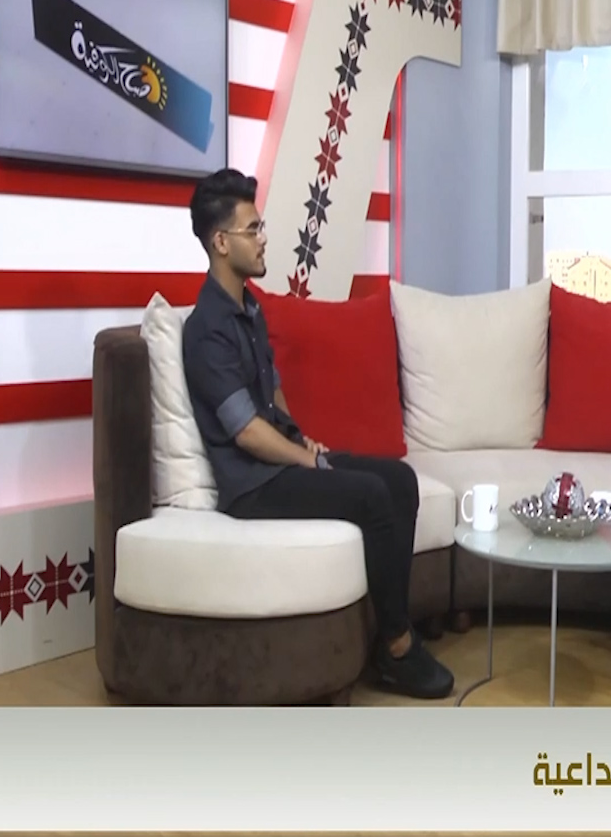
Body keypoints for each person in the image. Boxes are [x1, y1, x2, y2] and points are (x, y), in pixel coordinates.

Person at [180, 168, 454, 700]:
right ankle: (397, 646)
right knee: (370, 496)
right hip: (252, 486)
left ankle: (388, 633)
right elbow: (246, 433)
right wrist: (305, 461)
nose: (263, 239)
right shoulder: (206, 330)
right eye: (253, 229)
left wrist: (301, 439)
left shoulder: (249, 309)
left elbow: (272, 393)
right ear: (220, 242)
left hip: (278, 463)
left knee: (400, 480)